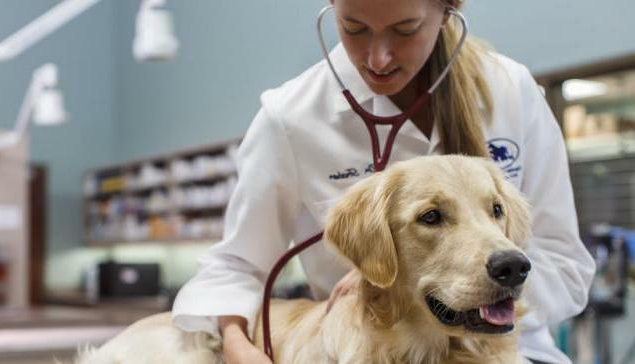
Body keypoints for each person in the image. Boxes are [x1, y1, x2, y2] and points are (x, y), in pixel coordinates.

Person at [172, 0, 596, 363]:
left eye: (405, 29)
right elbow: (238, 266)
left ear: (447, 13)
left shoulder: (510, 89)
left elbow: (564, 261)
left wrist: (482, 296)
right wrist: (236, 345)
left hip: (510, 348)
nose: (378, 58)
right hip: (367, 345)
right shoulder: (292, 117)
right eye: (353, 28)